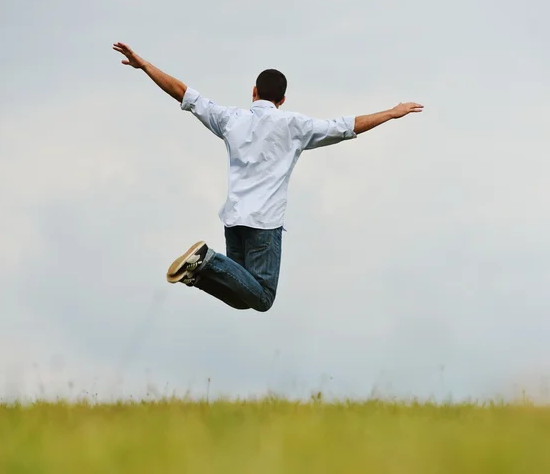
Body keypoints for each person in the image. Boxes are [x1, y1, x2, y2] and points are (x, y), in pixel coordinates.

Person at [113, 42, 423, 313]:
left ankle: (197, 273)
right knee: (263, 299)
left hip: (234, 221)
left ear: (254, 92)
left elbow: (183, 94)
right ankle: (207, 260)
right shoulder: (293, 125)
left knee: (240, 296)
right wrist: (390, 112)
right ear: (283, 100)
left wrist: (145, 67)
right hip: (264, 224)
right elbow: (344, 127)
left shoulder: (229, 119)